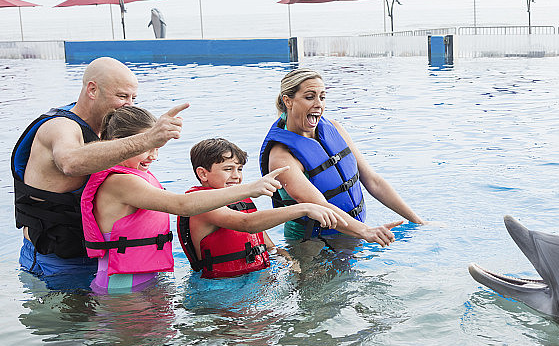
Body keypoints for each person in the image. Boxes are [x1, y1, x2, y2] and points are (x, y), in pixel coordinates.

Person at [11, 57, 187, 280]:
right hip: (55, 261)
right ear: (92, 90)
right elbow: (70, 162)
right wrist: (147, 139)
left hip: (98, 258)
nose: (129, 105)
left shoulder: (111, 130)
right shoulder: (60, 127)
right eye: (122, 96)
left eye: (133, 98)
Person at [80, 107, 289, 294]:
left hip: (140, 280)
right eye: (148, 146)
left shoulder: (137, 176)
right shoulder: (120, 182)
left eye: (157, 147)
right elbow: (182, 205)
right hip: (121, 286)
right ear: (121, 143)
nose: (153, 156)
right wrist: (250, 189)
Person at [259, 68, 425, 247]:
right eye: (309, 97)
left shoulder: (334, 129)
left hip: (353, 234)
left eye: (322, 97)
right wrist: (366, 231)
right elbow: (320, 206)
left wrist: (418, 222)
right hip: (312, 247)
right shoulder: (281, 156)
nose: (318, 104)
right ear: (288, 101)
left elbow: (373, 181)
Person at [177, 138, 348, 279]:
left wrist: (289, 264)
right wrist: (304, 208)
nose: (236, 176)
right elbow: (247, 223)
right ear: (203, 174)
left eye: (240, 169)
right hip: (219, 288)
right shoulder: (201, 205)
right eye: (228, 169)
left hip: (253, 279)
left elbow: (268, 245)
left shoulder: (240, 201)